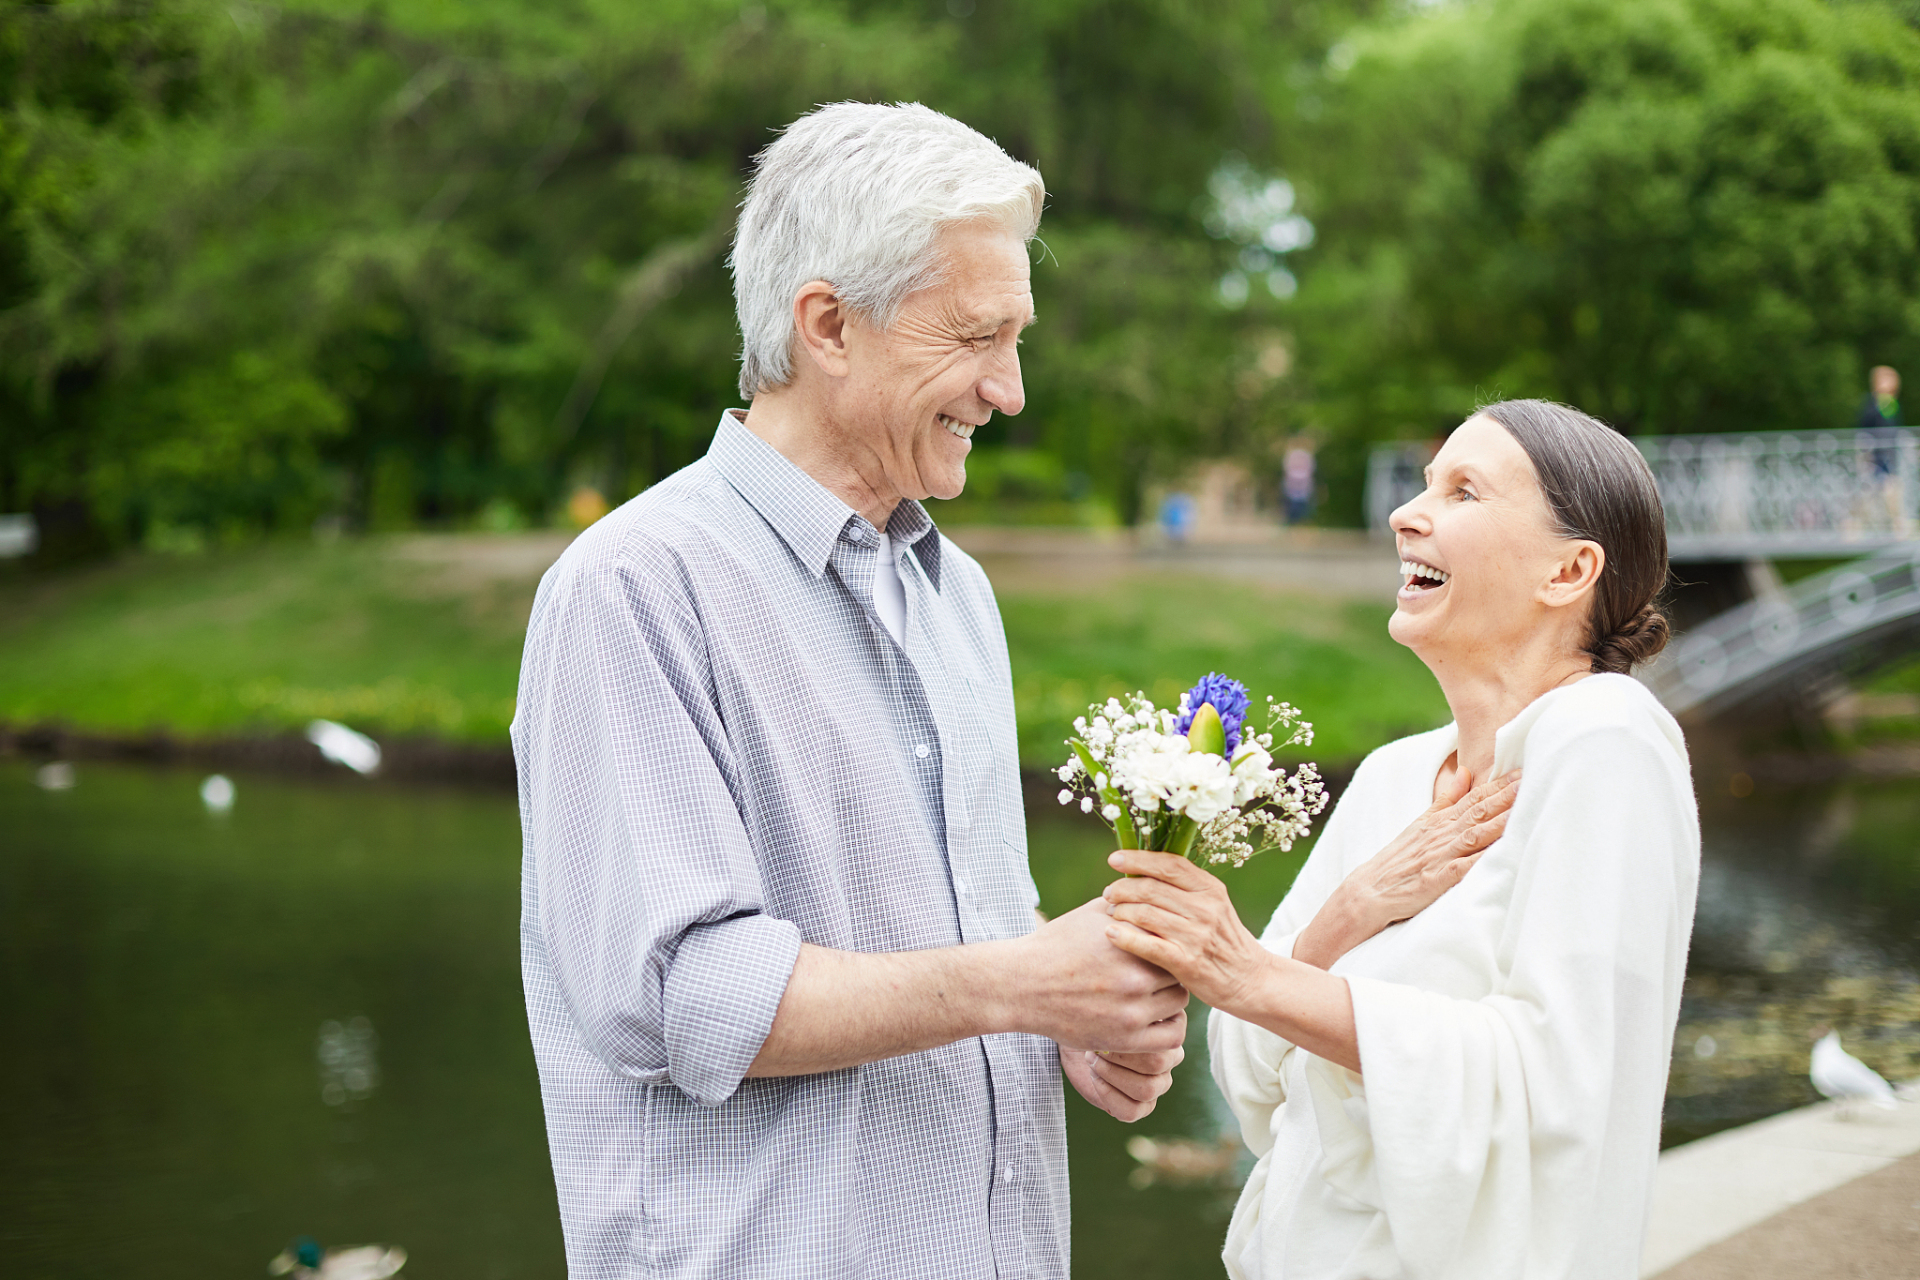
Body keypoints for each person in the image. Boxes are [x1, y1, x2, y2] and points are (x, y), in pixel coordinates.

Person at [511, 103, 1192, 1280]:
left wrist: (1063, 1016)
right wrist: (1020, 980)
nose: (1012, 389)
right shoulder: (630, 589)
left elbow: (969, 943)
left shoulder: (957, 594)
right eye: (978, 337)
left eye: (1018, 338)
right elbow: (687, 999)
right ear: (827, 324)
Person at [1103, 399, 1700, 1279]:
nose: (1404, 514)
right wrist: (1344, 917)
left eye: (1463, 492)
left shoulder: (1605, 739)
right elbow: (1251, 1075)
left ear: (1568, 571)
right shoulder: (1391, 774)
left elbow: (1560, 1088)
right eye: (1425, 485)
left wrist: (1248, 970)